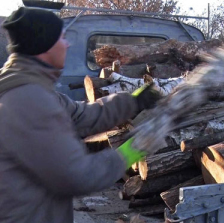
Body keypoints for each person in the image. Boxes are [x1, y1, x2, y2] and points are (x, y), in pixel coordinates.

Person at [0, 7, 160, 223]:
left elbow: (81, 115)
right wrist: (135, 149)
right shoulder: (28, 100)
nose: (67, 44)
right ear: (44, 45)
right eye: (62, 37)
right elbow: (77, 176)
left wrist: (133, 102)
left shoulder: (31, 88)